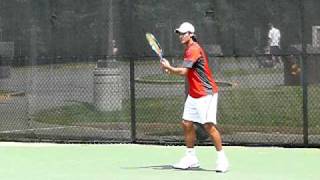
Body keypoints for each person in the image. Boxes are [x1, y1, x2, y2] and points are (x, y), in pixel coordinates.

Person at [160, 22, 229, 172]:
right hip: (194, 94)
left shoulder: (194, 49)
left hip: (206, 93)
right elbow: (187, 71)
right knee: (186, 123)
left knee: (208, 126)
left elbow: (184, 72)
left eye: (183, 33)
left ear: (191, 34)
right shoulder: (189, 50)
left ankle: (222, 159)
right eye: (179, 33)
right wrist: (170, 70)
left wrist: (170, 68)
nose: (180, 36)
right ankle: (191, 157)